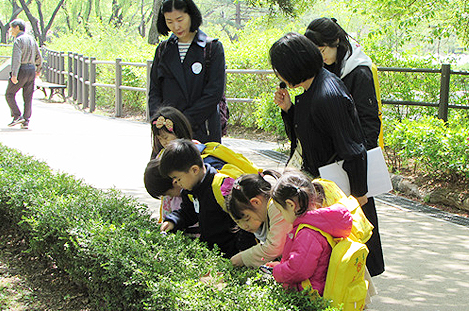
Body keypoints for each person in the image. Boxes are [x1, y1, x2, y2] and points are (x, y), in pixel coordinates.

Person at [271, 32, 385, 277]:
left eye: (279, 70)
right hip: (330, 185)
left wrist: (358, 194)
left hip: (343, 190)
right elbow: (309, 133)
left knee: (349, 256)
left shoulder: (327, 94)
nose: (278, 76)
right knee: (335, 259)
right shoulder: (315, 87)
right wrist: (289, 109)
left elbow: (352, 149)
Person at [158, 139, 256, 258]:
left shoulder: (222, 187)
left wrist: (243, 254)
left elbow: (245, 220)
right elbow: (188, 213)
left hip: (233, 254)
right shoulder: (190, 191)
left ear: (194, 170)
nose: (177, 183)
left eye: (178, 179)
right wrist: (172, 221)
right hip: (212, 253)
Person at [148, 0, 225, 143]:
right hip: (167, 132)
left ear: (191, 14)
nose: (176, 26)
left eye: (180, 19)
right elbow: (154, 91)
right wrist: (159, 119)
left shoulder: (211, 48)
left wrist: (181, 122)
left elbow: (214, 93)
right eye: (169, 21)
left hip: (201, 129)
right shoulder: (163, 50)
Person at [266, 170, 353, 296]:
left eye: (280, 210)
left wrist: (277, 271)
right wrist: (282, 264)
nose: (282, 216)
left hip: (309, 294)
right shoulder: (316, 224)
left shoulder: (307, 233)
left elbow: (298, 270)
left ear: (290, 205)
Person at [304, 17, 381, 150]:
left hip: (355, 152)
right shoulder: (325, 66)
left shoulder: (358, 72)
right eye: (317, 53)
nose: (321, 57)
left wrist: (363, 159)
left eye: (322, 51)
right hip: (335, 150)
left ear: (336, 41)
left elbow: (369, 120)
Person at [226, 171, 292, 268]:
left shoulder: (276, 206)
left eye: (248, 218)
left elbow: (274, 247)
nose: (244, 226)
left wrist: (242, 258)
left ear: (256, 202)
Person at [5, 19, 42, 130]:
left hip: (22, 69)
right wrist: (38, 69)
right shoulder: (31, 39)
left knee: (9, 94)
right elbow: (38, 55)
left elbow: (16, 58)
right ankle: (26, 121)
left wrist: (14, 74)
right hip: (31, 69)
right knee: (28, 96)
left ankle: (17, 115)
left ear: (17, 27)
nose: (10, 30)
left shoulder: (18, 40)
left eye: (12, 28)